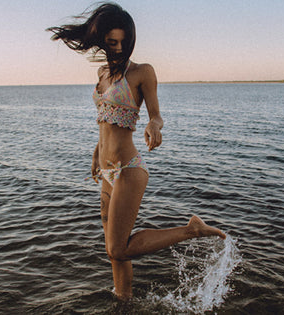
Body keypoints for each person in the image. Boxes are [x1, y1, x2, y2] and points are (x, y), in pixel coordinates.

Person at [47, 2, 226, 300]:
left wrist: (154, 127)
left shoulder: (142, 72)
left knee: (117, 246)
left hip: (129, 167)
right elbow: (106, 120)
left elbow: (156, 114)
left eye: (123, 43)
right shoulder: (103, 74)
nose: (117, 48)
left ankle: (191, 230)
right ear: (103, 40)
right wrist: (96, 152)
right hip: (106, 171)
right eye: (111, 42)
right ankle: (123, 300)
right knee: (115, 254)